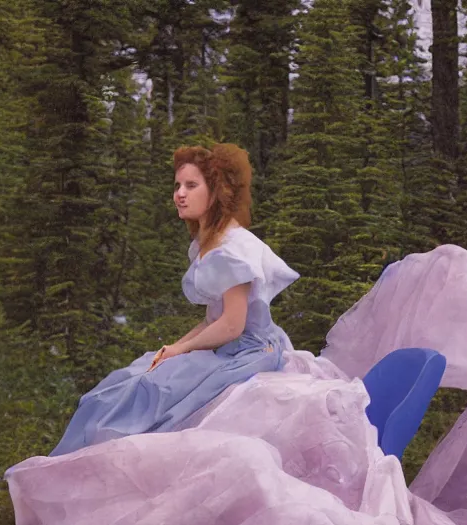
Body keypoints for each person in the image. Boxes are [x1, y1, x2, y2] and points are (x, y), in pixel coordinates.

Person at [49, 143, 299, 457]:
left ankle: (112, 468)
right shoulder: (211, 242)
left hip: (249, 351)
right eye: (178, 185)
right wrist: (172, 349)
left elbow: (233, 325)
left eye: (191, 186)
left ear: (216, 191)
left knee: (153, 391)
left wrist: (182, 349)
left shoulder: (232, 249)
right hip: (229, 347)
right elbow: (213, 319)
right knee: (130, 380)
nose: (179, 193)